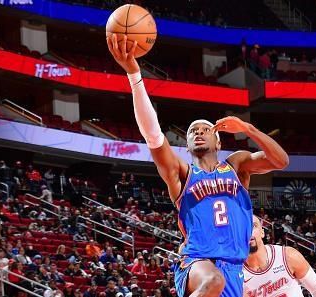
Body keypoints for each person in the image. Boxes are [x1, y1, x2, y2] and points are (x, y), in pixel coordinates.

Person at [107, 34, 289, 297]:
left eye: (206, 129)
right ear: (188, 143)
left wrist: (247, 128)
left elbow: (281, 161)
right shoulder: (182, 173)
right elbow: (153, 136)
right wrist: (135, 75)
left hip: (234, 268)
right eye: (193, 131)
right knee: (213, 281)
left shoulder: (236, 165)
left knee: (218, 282)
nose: (199, 132)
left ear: (218, 141)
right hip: (197, 263)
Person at [243, 216, 316, 297]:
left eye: (253, 226)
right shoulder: (234, 274)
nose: (248, 231)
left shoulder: (287, 255)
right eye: (242, 228)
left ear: (262, 232)